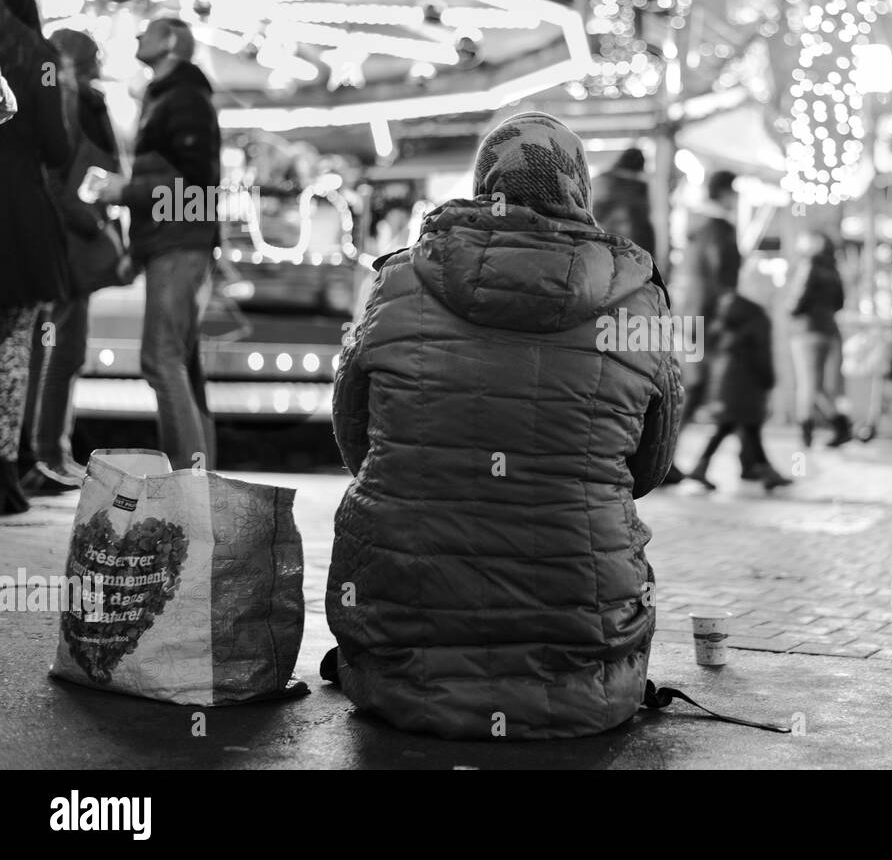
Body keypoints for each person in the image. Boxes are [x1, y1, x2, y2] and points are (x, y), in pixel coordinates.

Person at [324, 112, 681, 738]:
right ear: (578, 189)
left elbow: (359, 448)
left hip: (399, 651)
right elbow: (648, 469)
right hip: (586, 664)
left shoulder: (399, 282)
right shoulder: (639, 300)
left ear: (484, 181)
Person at [100, 18, 221, 471]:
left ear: (170, 42)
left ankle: (185, 480)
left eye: (147, 31)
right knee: (180, 363)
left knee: (162, 360)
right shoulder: (175, 97)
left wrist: (123, 192)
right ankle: (198, 474)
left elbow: (193, 182)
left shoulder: (183, 98)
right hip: (177, 243)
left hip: (177, 244)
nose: (136, 37)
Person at [20, 29, 121, 493]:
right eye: (94, 51)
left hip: (65, 238)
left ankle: (49, 452)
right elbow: (62, 174)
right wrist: (92, 224)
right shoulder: (76, 101)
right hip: (68, 241)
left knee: (59, 349)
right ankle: (45, 453)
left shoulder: (70, 98)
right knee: (57, 351)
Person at [0, 0, 70, 513]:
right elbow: (56, 144)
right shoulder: (40, 55)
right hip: (17, 218)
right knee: (13, 348)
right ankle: (4, 471)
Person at [661, 169, 742, 485]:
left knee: (708, 386)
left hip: (694, 316)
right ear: (724, 193)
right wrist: (726, 316)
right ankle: (667, 458)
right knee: (703, 386)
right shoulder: (718, 228)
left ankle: (685, 460)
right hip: (708, 319)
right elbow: (723, 276)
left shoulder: (699, 226)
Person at [683, 290, 790, 491]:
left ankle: (704, 467)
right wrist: (769, 379)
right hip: (747, 384)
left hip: (728, 382)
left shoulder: (727, 319)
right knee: (745, 427)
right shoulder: (759, 320)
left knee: (738, 427)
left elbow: (710, 344)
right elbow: (762, 354)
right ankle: (766, 472)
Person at [788, 231, 852, 447]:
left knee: (807, 384)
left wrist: (791, 310)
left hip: (807, 331)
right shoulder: (834, 270)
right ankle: (840, 425)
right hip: (829, 331)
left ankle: (806, 434)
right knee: (817, 386)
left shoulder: (809, 266)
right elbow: (840, 302)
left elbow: (798, 300)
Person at [591, 146, 656, 258]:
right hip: (629, 243)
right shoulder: (639, 186)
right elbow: (645, 220)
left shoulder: (602, 179)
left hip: (603, 241)